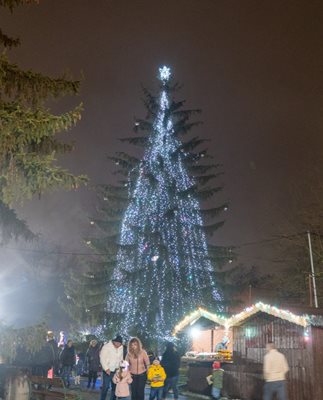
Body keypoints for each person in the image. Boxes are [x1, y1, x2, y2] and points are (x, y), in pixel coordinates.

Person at [100, 335, 124, 400]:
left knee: (115, 387)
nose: (119, 344)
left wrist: (120, 369)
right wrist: (106, 368)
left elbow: (121, 359)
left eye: (120, 343)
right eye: (117, 343)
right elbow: (102, 358)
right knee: (105, 387)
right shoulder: (106, 347)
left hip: (116, 371)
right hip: (108, 370)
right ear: (114, 341)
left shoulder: (121, 348)